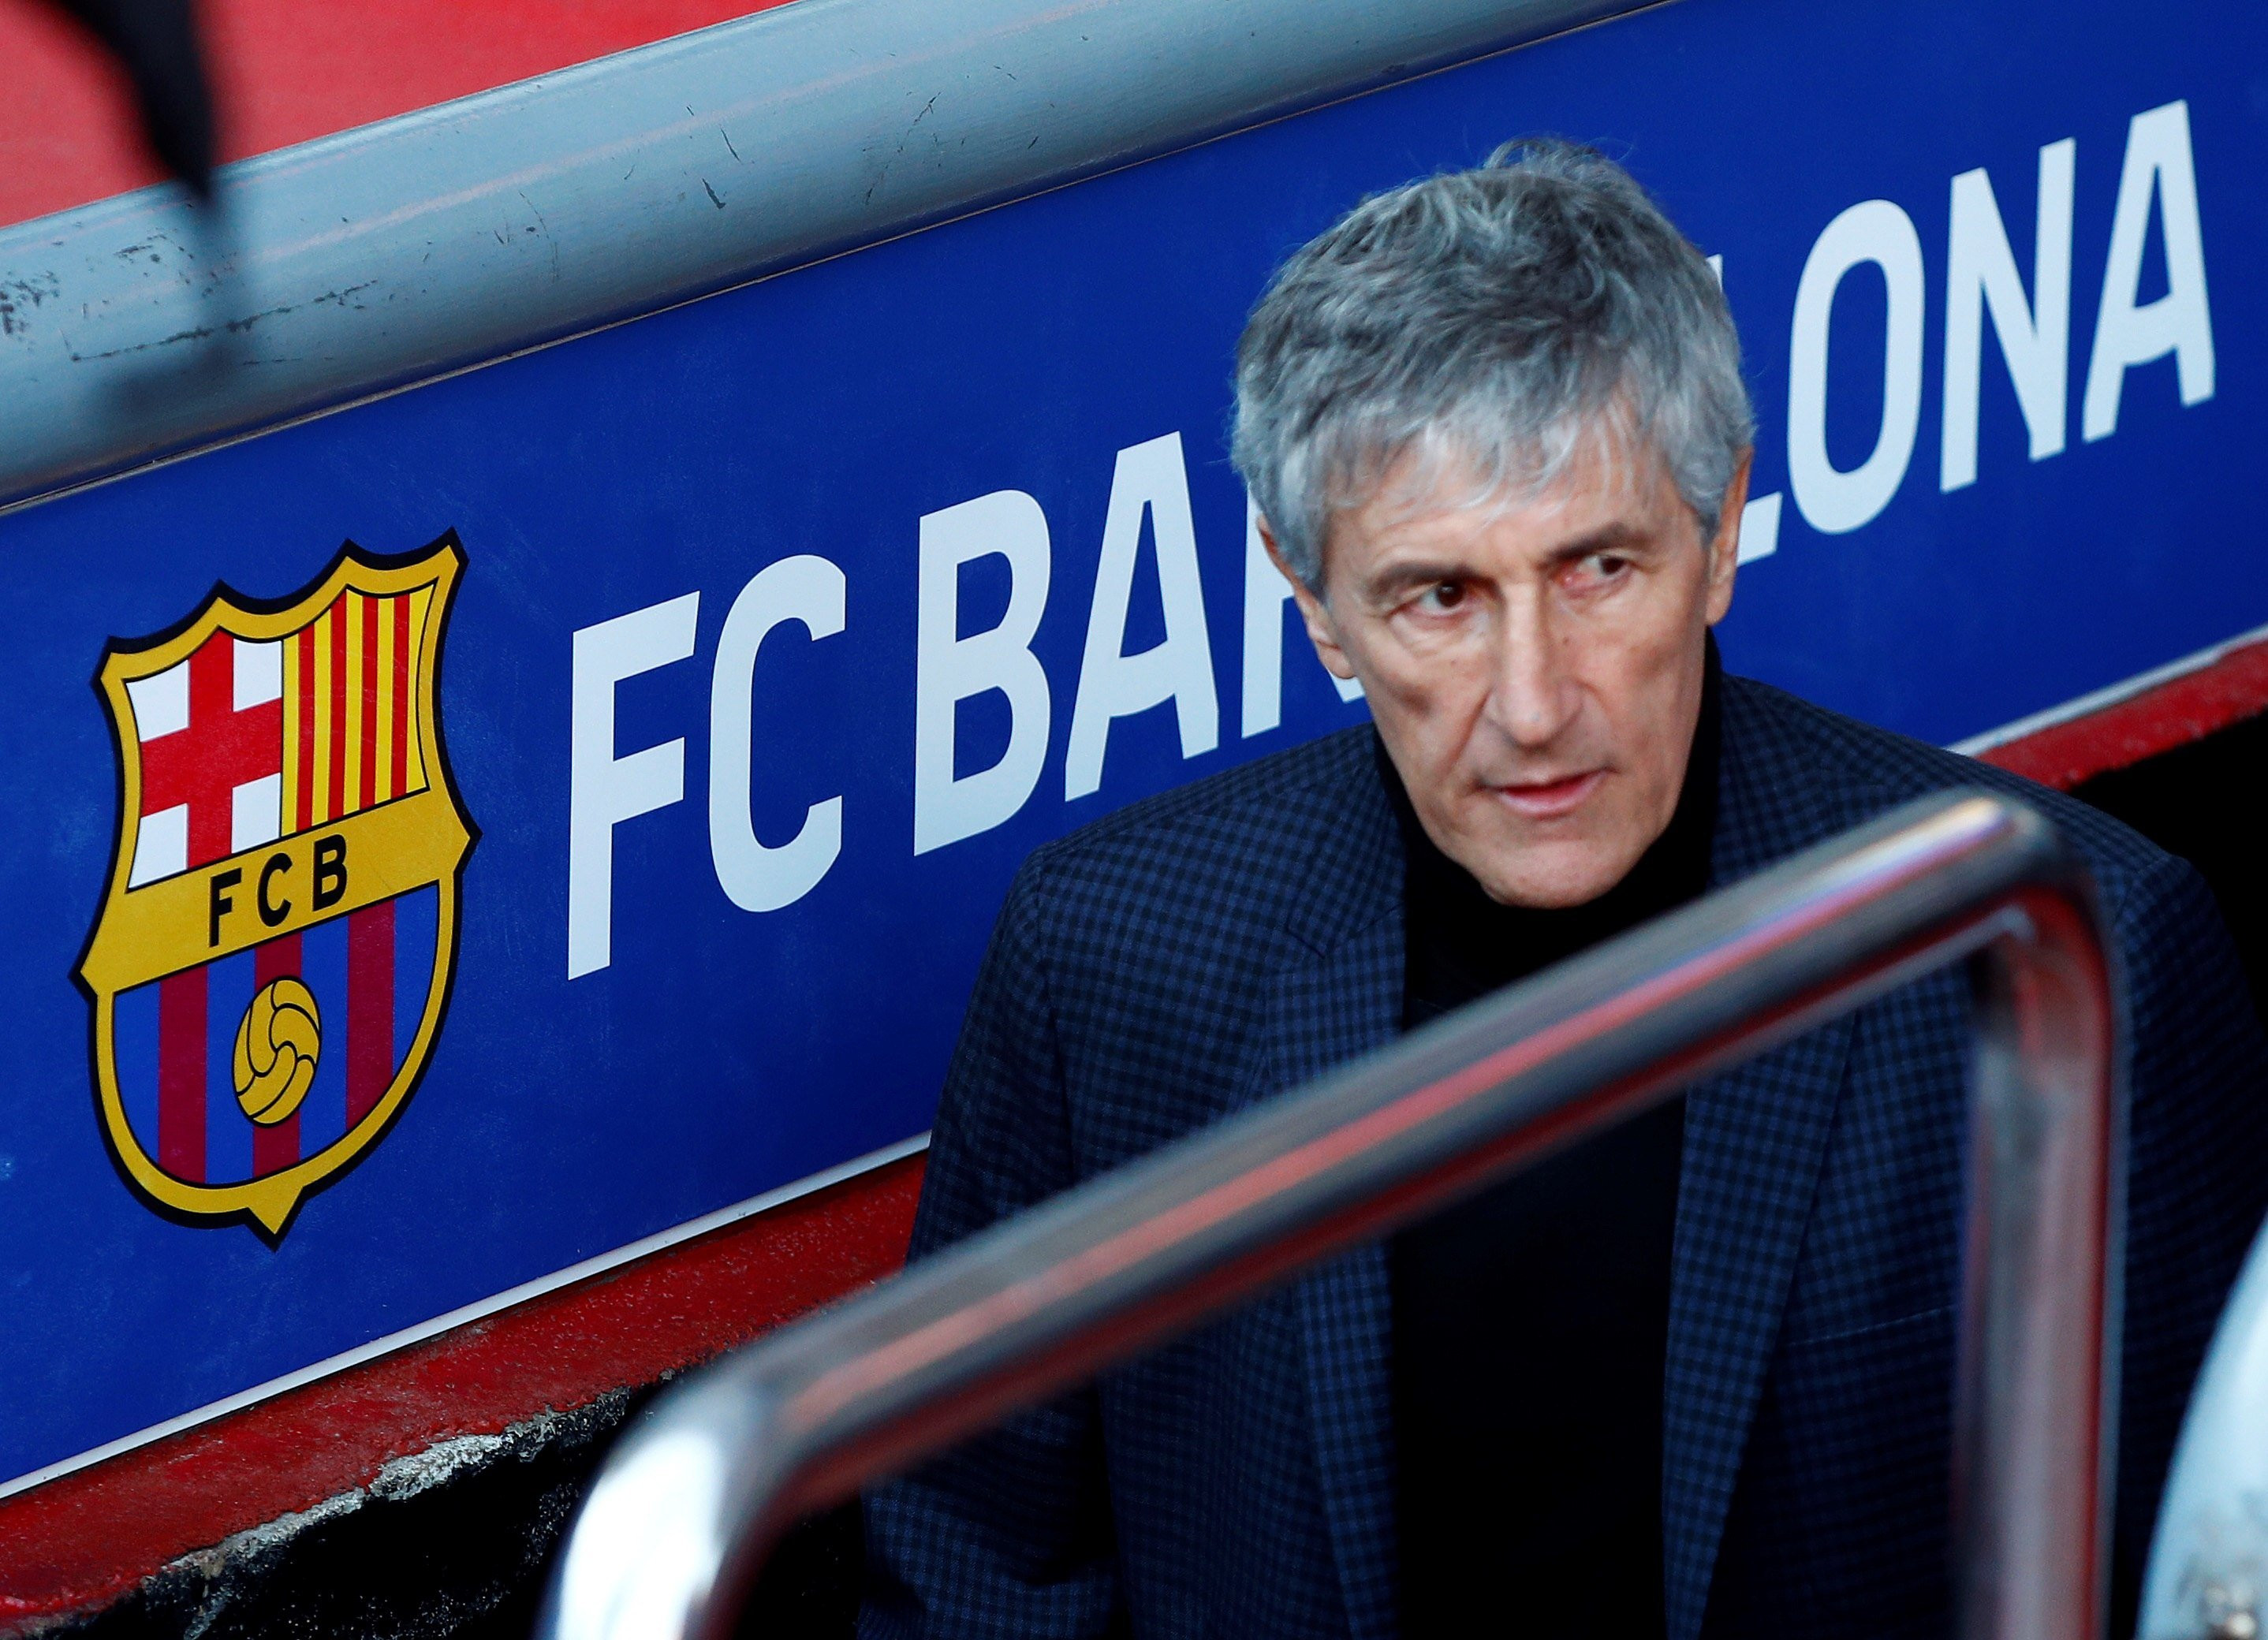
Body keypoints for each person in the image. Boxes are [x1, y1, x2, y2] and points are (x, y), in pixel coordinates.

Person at [859, 141, 2268, 1639]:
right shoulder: (1113, 962)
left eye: (1599, 568)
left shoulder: (2076, 946)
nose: (1533, 704)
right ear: (1311, 601)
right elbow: (976, 1583)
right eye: (1440, 598)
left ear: (1722, 528)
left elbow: (2211, 1573)